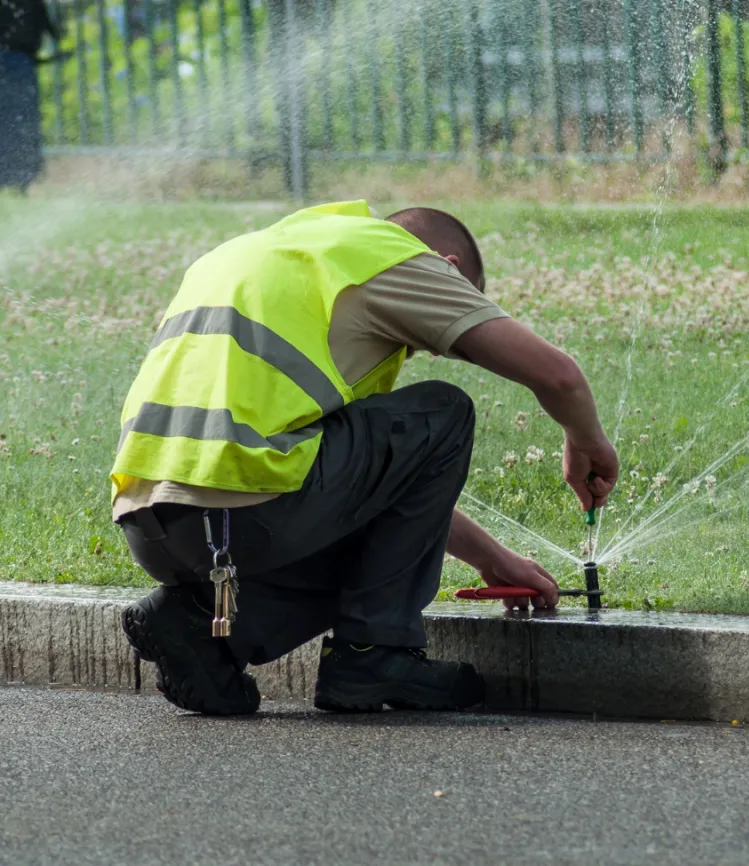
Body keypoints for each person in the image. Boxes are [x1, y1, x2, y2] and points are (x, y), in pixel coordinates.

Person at [112, 200, 619, 716]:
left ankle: (203, 629)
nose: (423, 350)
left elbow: (371, 491)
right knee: (444, 411)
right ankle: (374, 652)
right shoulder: (391, 257)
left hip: (152, 525)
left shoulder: (272, 253)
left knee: (370, 515)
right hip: (249, 512)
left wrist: (492, 559)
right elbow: (558, 376)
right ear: (449, 270)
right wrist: (587, 442)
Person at [0, 0, 58, 193]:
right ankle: (21, 178)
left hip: (18, 58)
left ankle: (18, 178)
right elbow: (44, 21)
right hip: (21, 59)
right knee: (21, 121)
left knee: (15, 120)